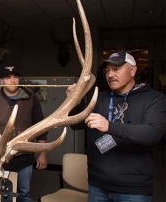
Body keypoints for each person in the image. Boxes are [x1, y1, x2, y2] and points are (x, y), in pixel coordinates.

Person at [66, 51, 166, 202]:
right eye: (107, 71)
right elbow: (76, 124)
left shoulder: (154, 98)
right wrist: (74, 103)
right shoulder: (99, 98)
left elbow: (152, 133)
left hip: (133, 189)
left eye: (116, 69)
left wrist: (109, 126)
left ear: (133, 70)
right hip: (97, 184)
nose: (110, 75)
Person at [0, 66, 48, 202]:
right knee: (1, 194)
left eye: (15, 77)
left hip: (24, 159)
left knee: (24, 193)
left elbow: (41, 129)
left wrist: (43, 154)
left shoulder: (31, 99)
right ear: (2, 81)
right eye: (8, 78)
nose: (12, 80)